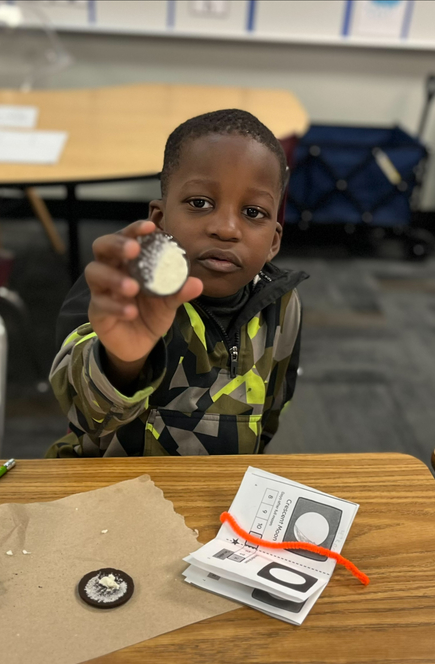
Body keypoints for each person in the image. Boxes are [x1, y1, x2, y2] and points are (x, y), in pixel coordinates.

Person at [46, 109, 307, 457]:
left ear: (274, 241)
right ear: (159, 220)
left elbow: (272, 412)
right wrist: (122, 361)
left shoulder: (284, 304)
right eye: (200, 203)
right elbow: (83, 413)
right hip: (109, 495)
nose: (226, 228)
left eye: (253, 212)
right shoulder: (124, 288)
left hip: (217, 497)